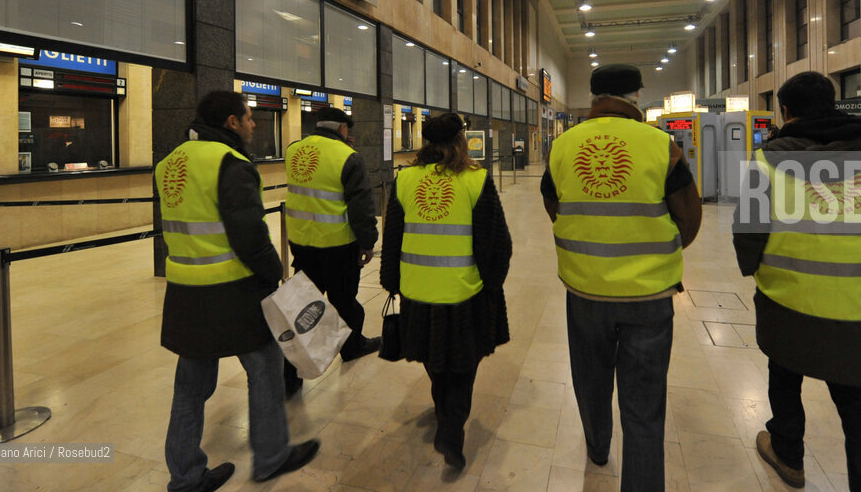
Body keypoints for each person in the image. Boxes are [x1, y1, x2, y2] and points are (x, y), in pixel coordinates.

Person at [733, 72, 861, 491]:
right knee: (855, 402)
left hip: (785, 295)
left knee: (783, 376)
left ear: (786, 112)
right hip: (853, 306)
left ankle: (788, 453)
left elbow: (748, 234)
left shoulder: (767, 161)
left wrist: (759, 272)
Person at [540, 63, 702, 492]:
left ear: (594, 98)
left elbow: (552, 202)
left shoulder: (563, 144)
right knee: (645, 407)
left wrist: (586, 237)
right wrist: (653, 247)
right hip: (648, 295)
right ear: (635, 95)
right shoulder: (661, 145)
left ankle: (597, 448)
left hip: (584, 289)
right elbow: (688, 217)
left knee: (591, 381)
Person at [157, 91, 319, 492]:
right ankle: (271, 457)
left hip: (184, 291)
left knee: (190, 386)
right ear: (231, 122)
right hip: (234, 289)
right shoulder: (229, 163)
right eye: (249, 118)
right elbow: (249, 233)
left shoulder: (169, 162)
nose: (253, 125)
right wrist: (273, 272)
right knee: (265, 371)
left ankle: (184, 476)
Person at [380, 112, 512, 471]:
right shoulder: (475, 179)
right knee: (464, 362)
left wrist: (391, 279)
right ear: (460, 140)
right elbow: (496, 242)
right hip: (463, 291)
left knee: (432, 355)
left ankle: (442, 410)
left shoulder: (405, 179)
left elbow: (392, 236)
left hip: (417, 291)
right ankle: (451, 429)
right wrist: (493, 283)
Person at [283, 106, 380, 396]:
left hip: (302, 243)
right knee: (344, 301)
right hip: (338, 246)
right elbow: (360, 207)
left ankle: (290, 375)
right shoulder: (347, 157)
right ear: (342, 129)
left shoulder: (293, 151)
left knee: (304, 308)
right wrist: (368, 242)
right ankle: (352, 346)